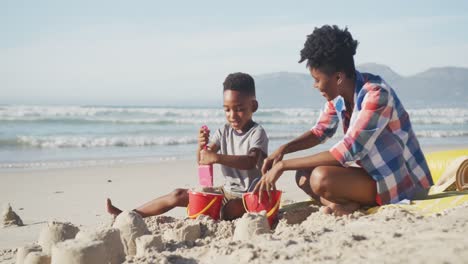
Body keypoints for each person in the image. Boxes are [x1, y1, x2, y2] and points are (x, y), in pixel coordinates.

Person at [254, 25, 433, 216]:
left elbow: (348, 150)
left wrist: (284, 165)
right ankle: (344, 206)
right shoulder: (339, 96)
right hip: (369, 174)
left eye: (317, 79)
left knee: (319, 178)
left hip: (396, 182)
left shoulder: (376, 95)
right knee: (303, 175)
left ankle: (344, 204)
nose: (315, 86)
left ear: (338, 77)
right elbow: (320, 131)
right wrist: (283, 150)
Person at [107, 72, 268, 220]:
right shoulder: (223, 131)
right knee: (177, 194)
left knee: (228, 210)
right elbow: (202, 160)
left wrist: (217, 158)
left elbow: (250, 161)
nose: (232, 115)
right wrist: (202, 146)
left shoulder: (257, 133)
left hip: (248, 196)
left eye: (239, 109)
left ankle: (209, 215)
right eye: (227, 110)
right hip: (226, 191)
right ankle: (130, 215)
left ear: (253, 106)